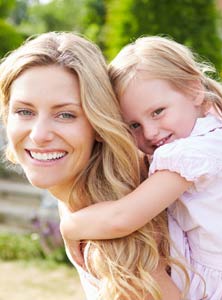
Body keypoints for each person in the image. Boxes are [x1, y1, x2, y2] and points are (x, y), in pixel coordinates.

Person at [59, 36, 222, 300]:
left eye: (157, 112)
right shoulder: (212, 128)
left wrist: (69, 226)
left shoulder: (192, 153)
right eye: (134, 126)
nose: (150, 132)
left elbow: (123, 218)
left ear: (194, 90)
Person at [0, 32, 186, 300]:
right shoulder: (80, 202)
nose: (39, 134)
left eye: (65, 115)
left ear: (98, 126)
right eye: (25, 111)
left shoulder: (110, 234)